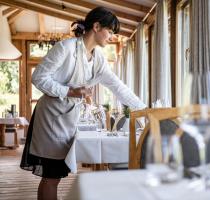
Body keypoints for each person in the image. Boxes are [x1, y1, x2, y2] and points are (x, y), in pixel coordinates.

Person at [20, 7, 146, 200]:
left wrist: (145, 110)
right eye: (110, 31)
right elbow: (38, 78)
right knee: (51, 177)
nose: (111, 36)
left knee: (56, 176)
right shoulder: (66, 48)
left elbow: (118, 87)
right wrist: (70, 91)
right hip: (50, 118)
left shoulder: (98, 59)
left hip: (69, 119)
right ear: (96, 26)